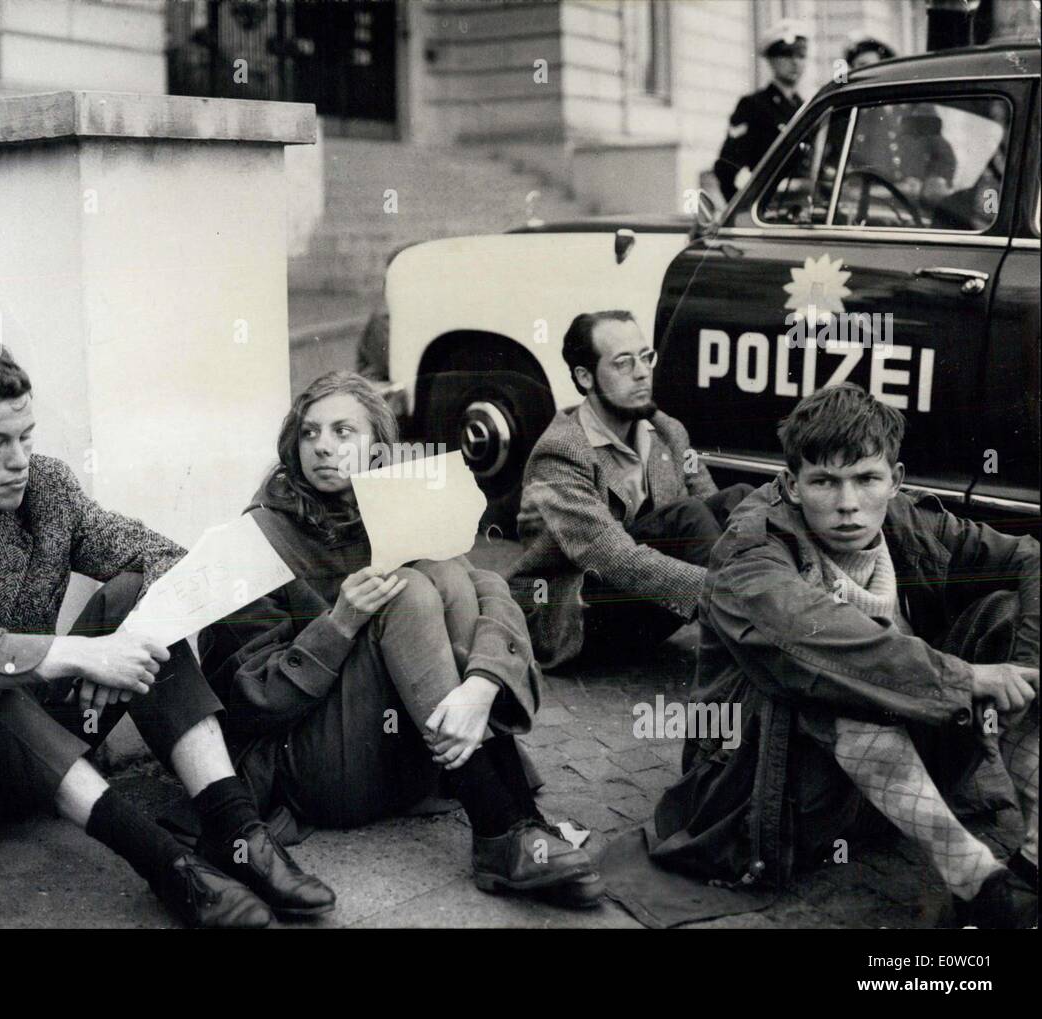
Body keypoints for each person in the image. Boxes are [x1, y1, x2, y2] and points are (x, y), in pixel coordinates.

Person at [0, 346, 335, 928]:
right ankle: (169, 867)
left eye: (26, 437)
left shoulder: (46, 490)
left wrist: (128, 643)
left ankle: (238, 833)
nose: (19, 460)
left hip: (42, 755)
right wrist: (83, 655)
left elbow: (164, 557)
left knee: (138, 594)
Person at [197, 371, 602, 905]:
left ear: (377, 449)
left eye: (344, 432)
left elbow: (488, 595)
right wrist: (338, 625)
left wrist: (481, 684)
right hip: (314, 769)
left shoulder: (391, 505)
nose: (324, 446)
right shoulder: (259, 535)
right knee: (407, 590)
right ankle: (503, 823)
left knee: (451, 574)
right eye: (310, 433)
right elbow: (247, 702)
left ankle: (518, 825)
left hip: (408, 754)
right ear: (293, 446)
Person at [651, 384, 1039, 929]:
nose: (848, 503)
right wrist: (967, 676)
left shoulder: (908, 519)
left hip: (898, 763)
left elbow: (1031, 558)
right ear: (791, 485)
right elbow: (824, 646)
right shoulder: (750, 551)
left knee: (1009, 616)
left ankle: (1033, 860)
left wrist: (1023, 666)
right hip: (771, 785)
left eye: (866, 479)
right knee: (838, 685)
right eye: (825, 482)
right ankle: (981, 887)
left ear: (895, 481)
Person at [507, 310, 752, 670]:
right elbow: (614, 559)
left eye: (645, 358)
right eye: (623, 363)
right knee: (687, 516)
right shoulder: (560, 453)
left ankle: (774, 619)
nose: (641, 373)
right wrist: (735, 594)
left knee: (740, 499)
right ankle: (759, 639)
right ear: (585, 377)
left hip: (643, 600)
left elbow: (713, 510)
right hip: (575, 620)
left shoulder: (666, 430)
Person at [714, 19, 809, 202]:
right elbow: (725, 169)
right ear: (771, 60)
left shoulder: (804, 106)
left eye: (801, 55)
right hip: (770, 210)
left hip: (804, 206)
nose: (795, 62)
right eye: (786, 55)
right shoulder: (754, 106)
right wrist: (740, 213)